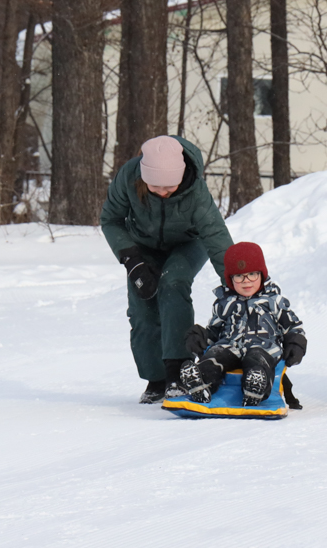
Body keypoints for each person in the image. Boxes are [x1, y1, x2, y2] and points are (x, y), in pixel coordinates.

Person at [100, 135, 234, 403]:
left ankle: (177, 372)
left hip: (187, 243)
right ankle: (156, 379)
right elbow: (111, 220)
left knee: (173, 283)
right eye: (155, 186)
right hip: (142, 246)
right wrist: (132, 260)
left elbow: (216, 237)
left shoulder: (195, 190)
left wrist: (237, 280)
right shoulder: (129, 176)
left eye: (169, 187)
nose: (163, 192)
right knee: (143, 304)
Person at [181, 242, 306, 406]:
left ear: (262, 274)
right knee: (215, 355)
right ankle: (201, 383)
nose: (246, 281)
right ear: (231, 279)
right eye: (239, 276)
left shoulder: (273, 301)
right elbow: (214, 331)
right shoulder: (224, 303)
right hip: (230, 345)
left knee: (257, 360)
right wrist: (200, 337)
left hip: (264, 347)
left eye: (252, 274)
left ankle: (256, 388)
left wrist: (295, 343)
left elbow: (293, 326)